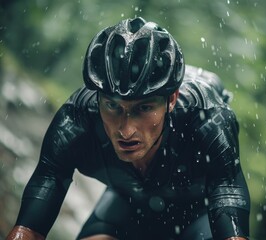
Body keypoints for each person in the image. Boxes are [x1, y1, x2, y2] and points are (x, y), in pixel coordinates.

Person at [6, 17, 250, 240]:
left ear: (172, 99)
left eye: (143, 108)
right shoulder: (77, 119)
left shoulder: (206, 117)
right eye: (113, 106)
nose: (126, 129)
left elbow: (226, 188)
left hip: (199, 214)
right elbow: (46, 187)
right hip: (126, 205)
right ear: (97, 98)